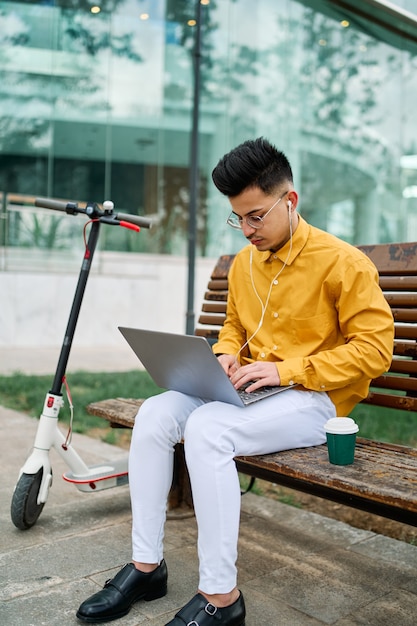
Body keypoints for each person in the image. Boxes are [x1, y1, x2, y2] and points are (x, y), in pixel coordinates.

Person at [76, 137, 394, 625]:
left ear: (289, 200)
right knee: (157, 413)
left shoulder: (343, 263)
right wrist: (223, 355)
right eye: (237, 218)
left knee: (207, 429)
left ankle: (222, 598)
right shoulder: (246, 265)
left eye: (256, 216)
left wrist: (286, 371)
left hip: (315, 401)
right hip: (252, 392)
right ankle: (146, 565)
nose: (246, 230)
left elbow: (375, 352)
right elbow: (234, 329)